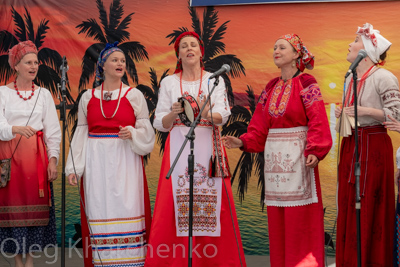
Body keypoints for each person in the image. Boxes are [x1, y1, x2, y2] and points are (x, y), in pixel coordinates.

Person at [223, 34, 332, 266]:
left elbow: (318, 119)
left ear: (296, 55)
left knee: (300, 221)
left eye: (282, 47)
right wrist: (242, 142)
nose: (276, 50)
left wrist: (316, 148)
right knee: (278, 220)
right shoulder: (271, 86)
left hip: (299, 158)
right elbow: (260, 124)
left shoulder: (307, 83)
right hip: (275, 165)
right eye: (274, 47)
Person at [145, 31, 246, 266]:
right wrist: (174, 113)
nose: (189, 48)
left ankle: (213, 261)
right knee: (175, 203)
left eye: (193, 45)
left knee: (213, 205)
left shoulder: (214, 79)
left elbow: (223, 116)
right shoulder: (169, 82)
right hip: (178, 147)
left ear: (201, 52)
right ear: (178, 54)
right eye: (183, 46)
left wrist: (205, 110)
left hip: (208, 147)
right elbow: (159, 122)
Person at [66, 42, 155, 267]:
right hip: (96, 163)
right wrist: (74, 167)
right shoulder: (87, 97)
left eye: (123, 61)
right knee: (99, 208)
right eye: (115, 60)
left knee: (128, 206)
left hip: (125, 163)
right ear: (102, 65)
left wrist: (133, 133)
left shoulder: (134, 95)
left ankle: (131, 262)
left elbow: (147, 134)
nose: (120, 64)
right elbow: (81, 133)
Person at [334, 23, 400, 266]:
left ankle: (373, 260)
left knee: (371, 202)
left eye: (355, 41)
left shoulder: (383, 76)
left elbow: (397, 115)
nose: (350, 44)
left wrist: (363, 111)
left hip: (373, 146)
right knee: (350, 202)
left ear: (368, 50)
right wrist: (344, 116)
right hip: (352, 145)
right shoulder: (350, 78)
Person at [0, 40, 61, 267]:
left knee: (35, 208)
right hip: (10, 159)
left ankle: (30, 262)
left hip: (36, 158)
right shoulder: (2, 93)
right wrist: (14, 129)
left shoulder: (43, 94)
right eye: (28, 62)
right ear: (16, 65)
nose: (33, 66)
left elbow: (53, 131)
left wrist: (53, 160)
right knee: (14, 211)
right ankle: (17, 261)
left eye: (36, 62)